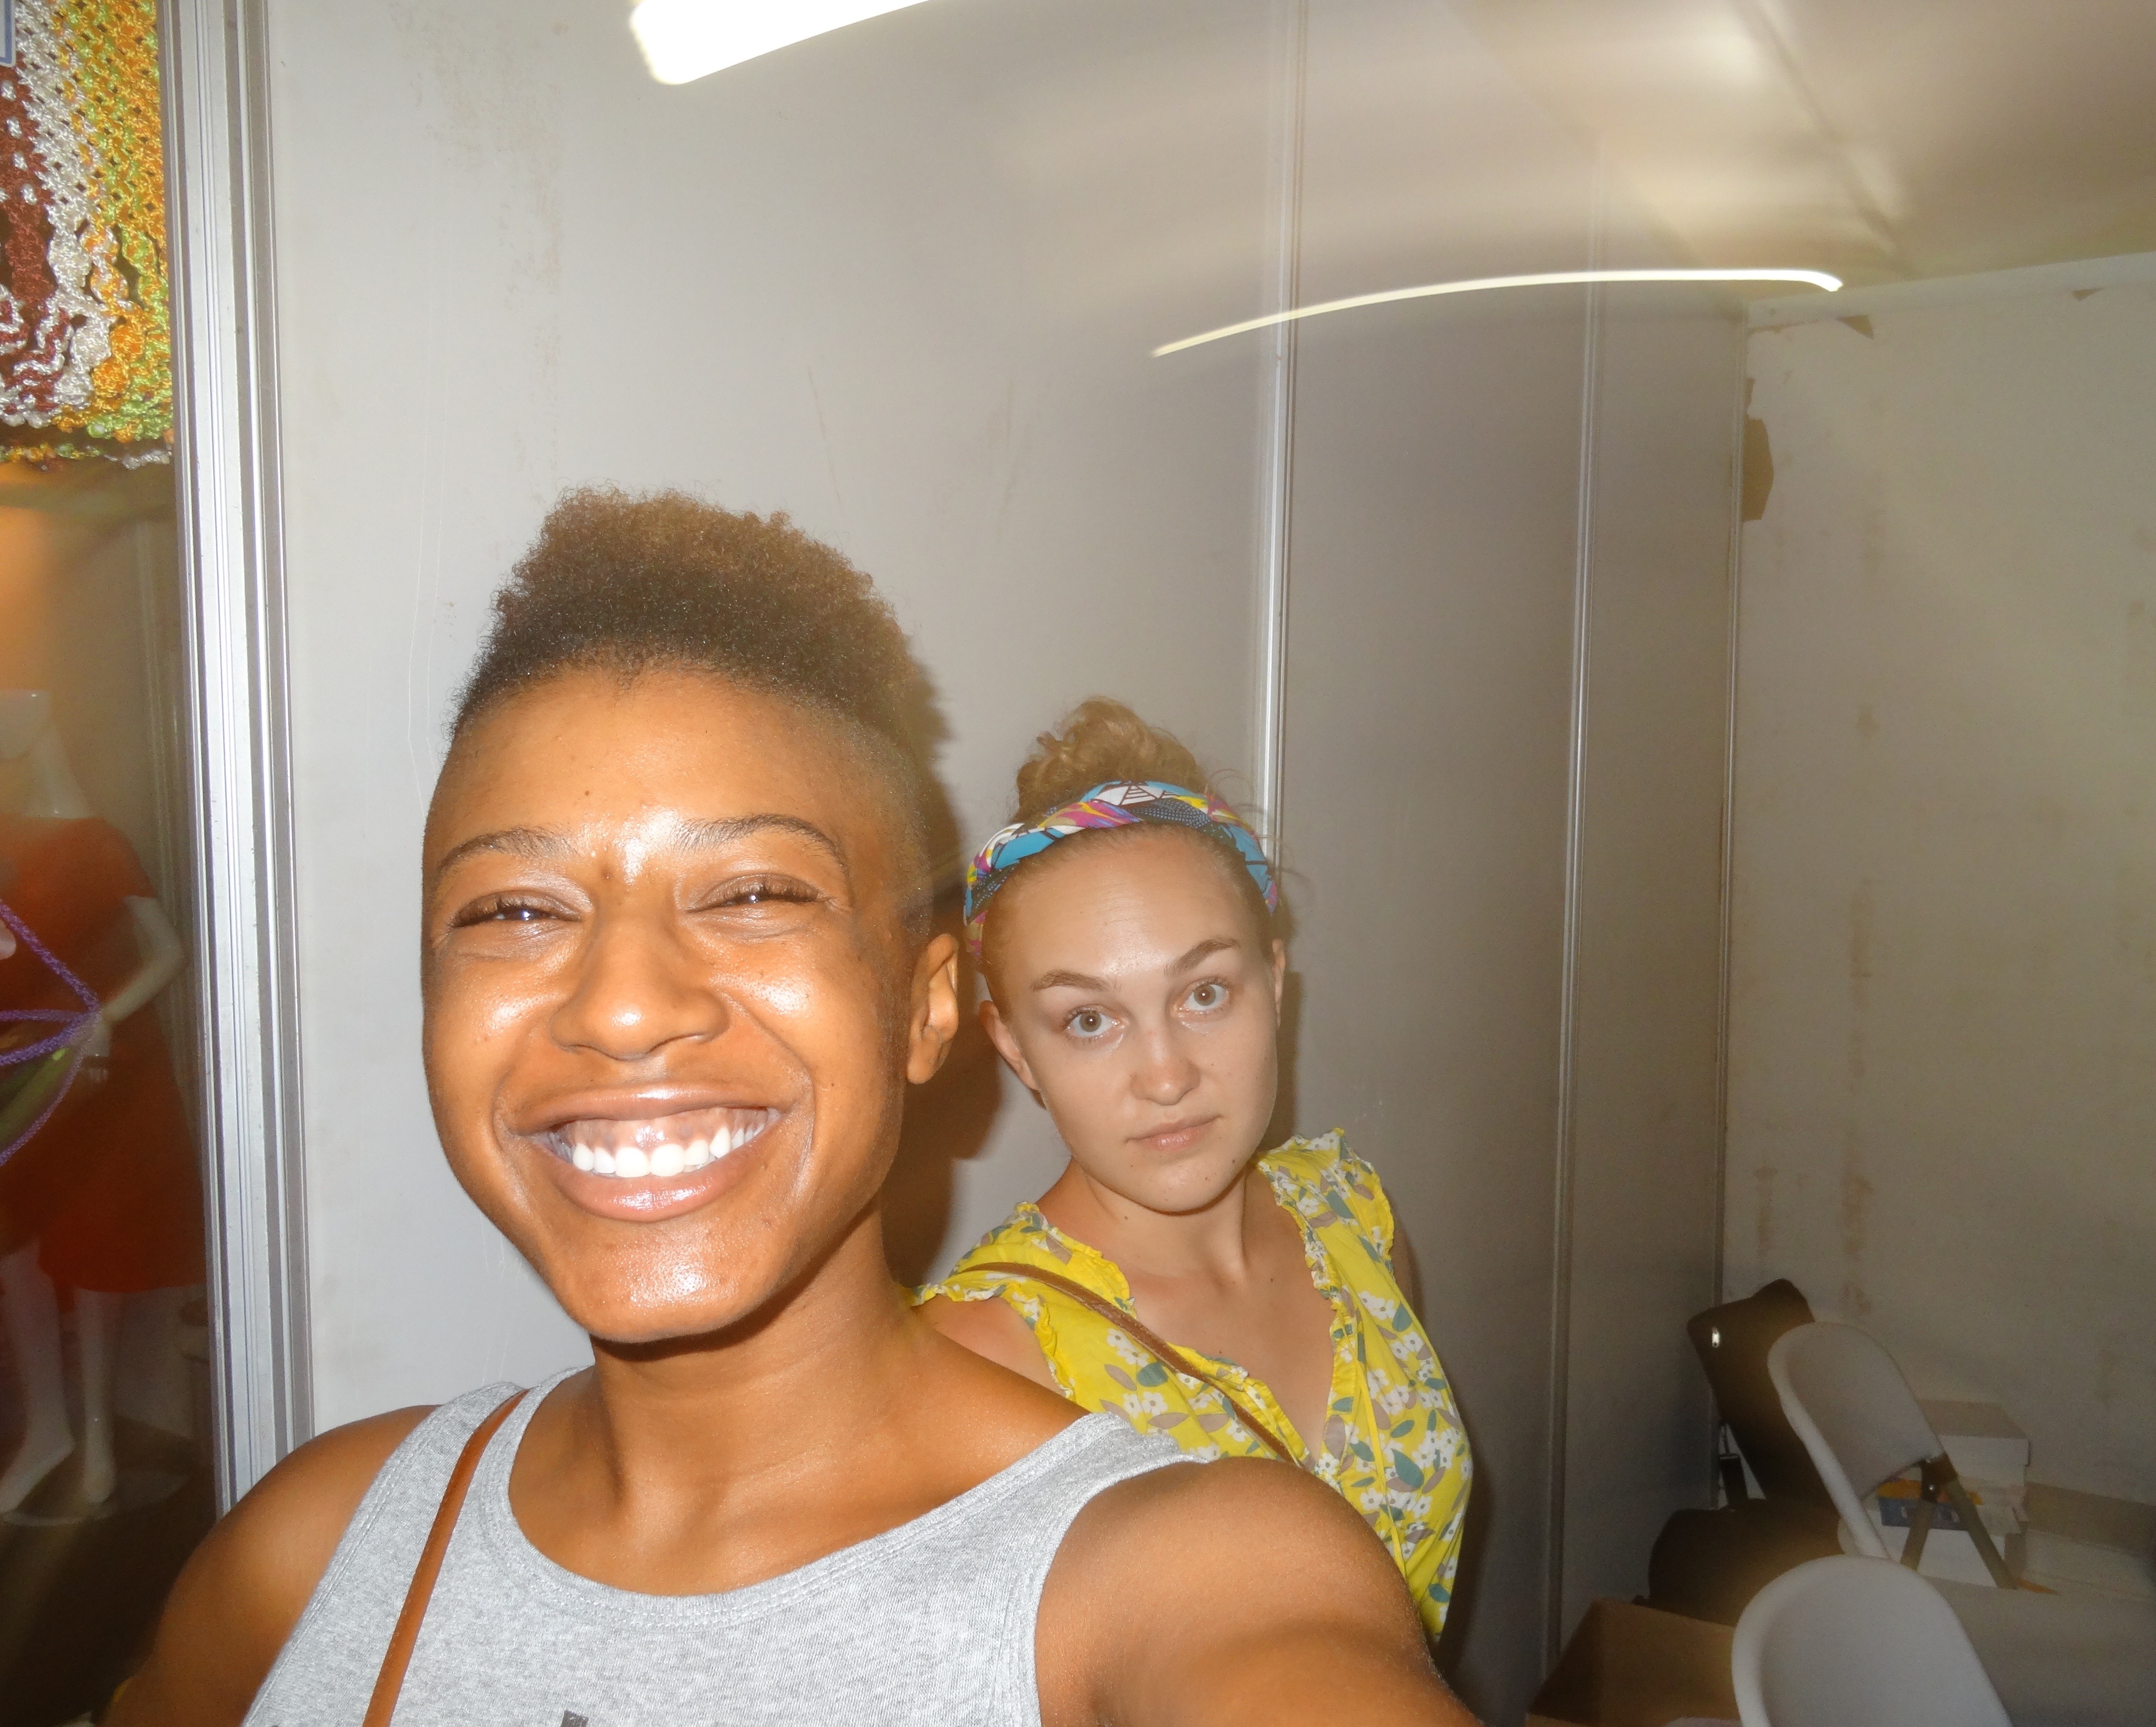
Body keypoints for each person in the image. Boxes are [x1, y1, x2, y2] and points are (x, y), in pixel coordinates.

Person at [111, 491, 1472, 1727]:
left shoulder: (1183, 1571)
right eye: (514, 910)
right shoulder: (317, 1546)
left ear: (926, 1008)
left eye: (756, 892)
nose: (622, 1006)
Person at [915, 703, 1470, 1640]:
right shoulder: (977, 1359)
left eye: (1204, 994)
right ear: (1015, 1048)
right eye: (1090, 1020)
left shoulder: (1352, 1216)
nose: (1166, 1076)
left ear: (1275, 984)